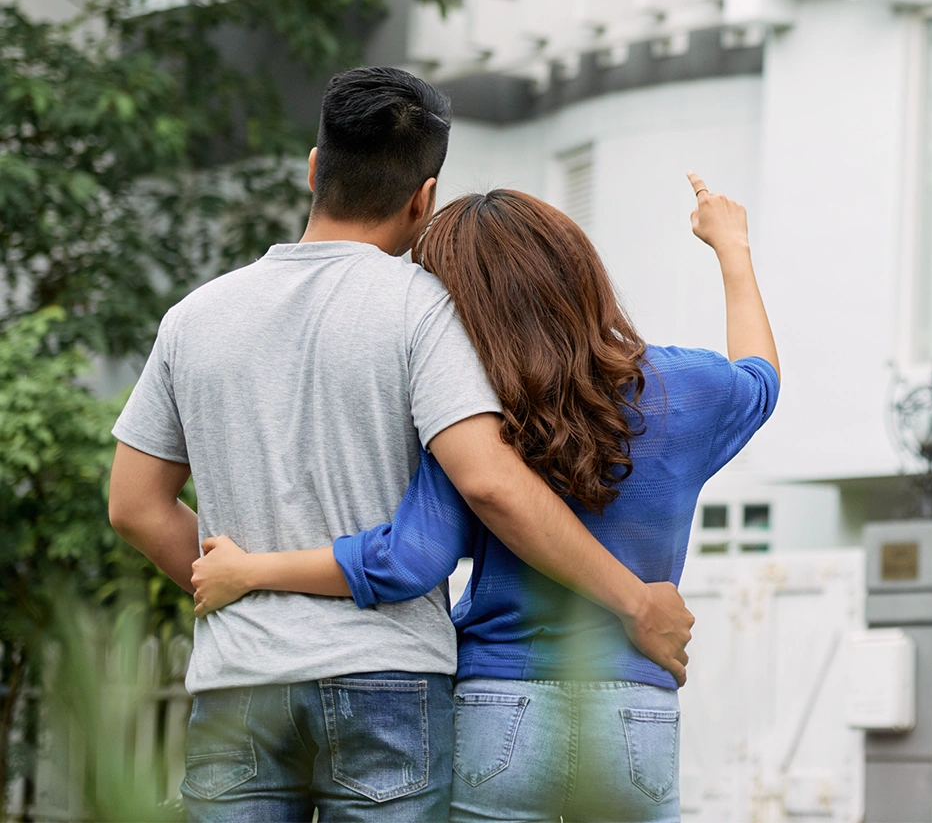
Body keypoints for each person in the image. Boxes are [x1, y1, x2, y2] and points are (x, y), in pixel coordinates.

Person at [107, 66, 693, 822]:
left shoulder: (194, 317)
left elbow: (133, 506)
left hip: (238, 677)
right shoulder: (426, 310)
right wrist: (634, 601)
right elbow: (487, 483)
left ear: (315, 168)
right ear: (425, 197)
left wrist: (247, 582)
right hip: (387, 680)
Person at [190, 172, 780, 822]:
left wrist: (250, 570)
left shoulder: (473, 416)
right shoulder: (683, 389)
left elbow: (407, 561)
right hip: (633, 707)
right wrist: (732, 248)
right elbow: (760, 379)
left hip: (499, 710)